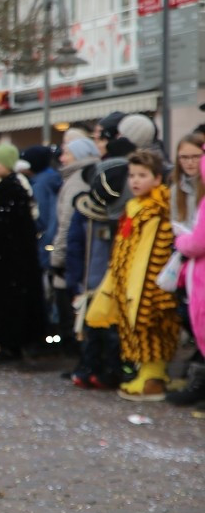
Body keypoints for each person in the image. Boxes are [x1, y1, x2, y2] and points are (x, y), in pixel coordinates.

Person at [86, 150, 180, 401]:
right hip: (128, 280)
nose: (135, 181)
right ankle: (145, 373)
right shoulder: (133, 207)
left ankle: (154, 377)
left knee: (150, 328)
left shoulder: (157, 210)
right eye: (132, 175)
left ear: (157, 178)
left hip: (147, 284)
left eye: (142, 175)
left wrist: (149, 285)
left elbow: (154, 252)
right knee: (131, 328)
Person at [0, 144, 47, 363]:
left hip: (6, 260)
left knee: (6, 303)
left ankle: (8, 345)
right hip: (8, 258)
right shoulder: (7, 187)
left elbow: (1, 227)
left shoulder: (9, 188)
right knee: (5, 303)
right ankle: (5, 344)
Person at [67, 160, 130, 390]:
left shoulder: (125, 213)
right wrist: (74, 280)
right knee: (90, 329)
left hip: (111, 280)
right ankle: (90, 367)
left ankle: (110, 369)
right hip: (90, 281)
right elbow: (75, 247)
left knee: (110, 330)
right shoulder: (85, 213)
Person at [50, 138, 102, 351]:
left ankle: (78, 353)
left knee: (72, 307)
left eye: (67, 154)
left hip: (74, 253)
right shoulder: (77, 177)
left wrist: (57, 256)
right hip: (77, 251)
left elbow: (66, 223)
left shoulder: (77, 181)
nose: (62, 158)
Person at [171, 141, 205, 406]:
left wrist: (183, 242)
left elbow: (197, 241)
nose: (190, 163)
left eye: (196, 157)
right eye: (184, 157)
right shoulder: (178, 190)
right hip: (189, 270)